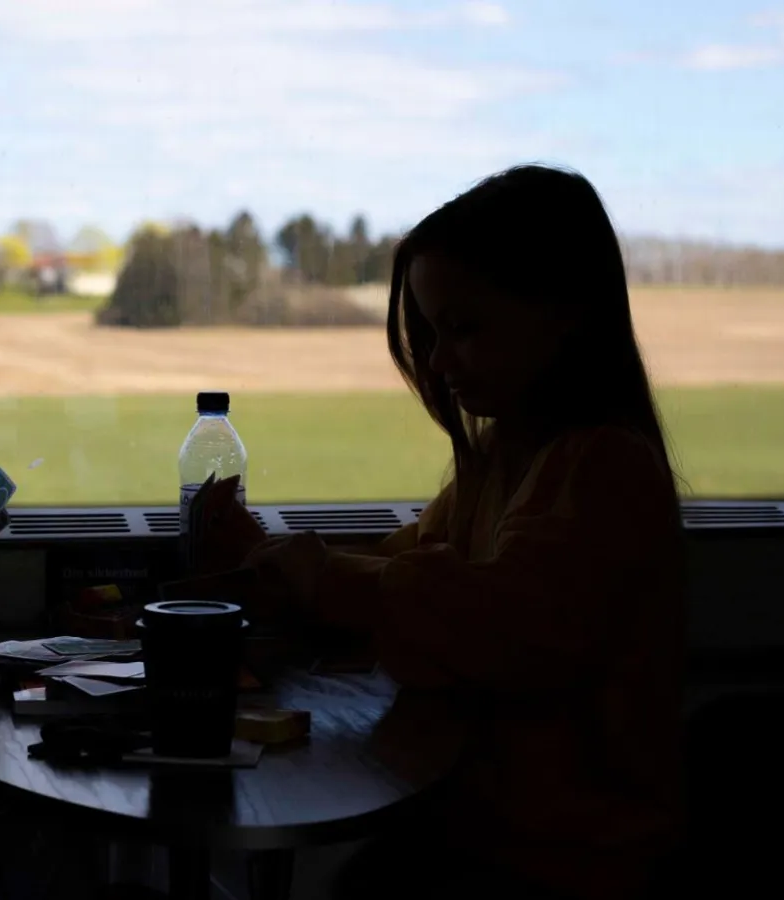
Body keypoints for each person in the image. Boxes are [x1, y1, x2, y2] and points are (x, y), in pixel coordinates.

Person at [218, 165, 687, 900]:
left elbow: (497, 622)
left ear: (565, 311)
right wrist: (283, 568)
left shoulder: (604, 471)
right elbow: (411, 563)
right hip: (483, 831)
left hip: (570, 861)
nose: (437, 363)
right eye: (431, 334)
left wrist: (322, 576)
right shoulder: (505, 455)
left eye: (464, 330)